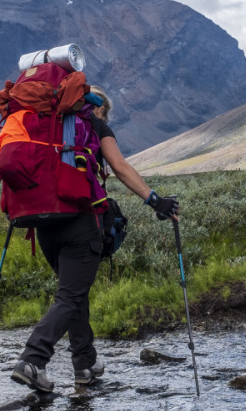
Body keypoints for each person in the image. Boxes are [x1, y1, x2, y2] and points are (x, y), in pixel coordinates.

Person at [10, 86, 180, 393]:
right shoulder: (95, 123)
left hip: (45, 226)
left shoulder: (46, 123)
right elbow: (120, 166)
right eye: (105, 112)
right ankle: (32, 360)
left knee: (75, 294)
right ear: (98, 108)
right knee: (71, 296)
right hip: (81, 221)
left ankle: (84, 365)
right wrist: (155, 200)